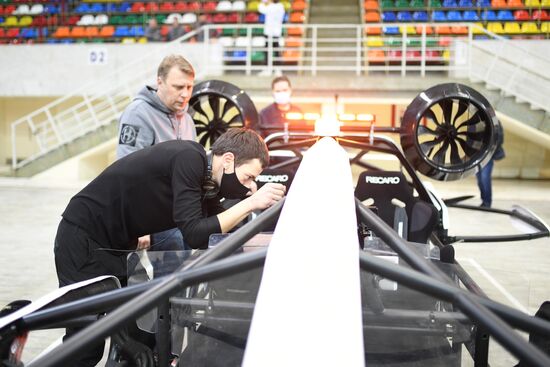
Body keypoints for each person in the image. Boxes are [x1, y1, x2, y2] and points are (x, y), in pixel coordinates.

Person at [54, 128, 285, 366]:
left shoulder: (207, 184)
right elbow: (195, 233)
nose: (249, 185)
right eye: (248, 177)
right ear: (228, 160)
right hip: (83, 236)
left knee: (140, 334)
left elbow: (217, 231)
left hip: (115, 246)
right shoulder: (188, 158)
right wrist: (250, 204)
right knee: (85, 343)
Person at [116, 54, 196, 251]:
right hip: (154, 216)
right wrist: (139, 224)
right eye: (178, 87)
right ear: (159, 82)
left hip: (181, 213)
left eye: (189, 87)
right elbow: (127, 174)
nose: (185, 94)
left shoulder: (187, 119)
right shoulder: (138, 114)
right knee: (169, 277)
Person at [476, 131, 505, 208]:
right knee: (480, 180)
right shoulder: (476, 122)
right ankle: (484, 201)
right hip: (477, 157)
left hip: (488, 157)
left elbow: (500, 138)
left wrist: (490, 149)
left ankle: (487, 202)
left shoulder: (494, 122)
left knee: (485, 179)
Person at [258, 0, 285, 72]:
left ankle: (271, 69)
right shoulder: (281, 6)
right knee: (274, 51)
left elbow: (261, 9)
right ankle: (275, 69)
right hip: (274, 32)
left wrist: (263, 2)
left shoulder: (273, 6)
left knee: (270, 51)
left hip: (271, 32)